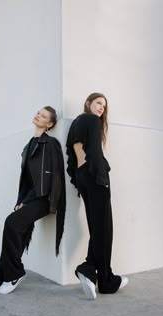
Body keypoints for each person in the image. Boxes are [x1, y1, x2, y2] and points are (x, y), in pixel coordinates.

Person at [0, 106, 66, 296]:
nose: (38, 115)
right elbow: (27, 180)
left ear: (49, 124)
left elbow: (48, 178)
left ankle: (15, 273)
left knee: (11, 223)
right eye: (39, 112)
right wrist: (21, 200)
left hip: (45, 198)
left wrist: (29, 200)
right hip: (30, 198)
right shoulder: (29, 145)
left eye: (44, 115)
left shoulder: (51, 143)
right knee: (17, 233)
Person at [66, 93, 128, 300]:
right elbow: (93, 150)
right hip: (95, 176)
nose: (101, 108)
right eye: (98, 103)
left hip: (83, 176)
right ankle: (103, 278)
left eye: (104, 105)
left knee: (97, 227)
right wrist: (102, 176)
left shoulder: (76, 123)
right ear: (88, 103)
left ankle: (95, 272)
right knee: (105, 228)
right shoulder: (91, 120)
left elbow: (71, 155)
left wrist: (78, 179)